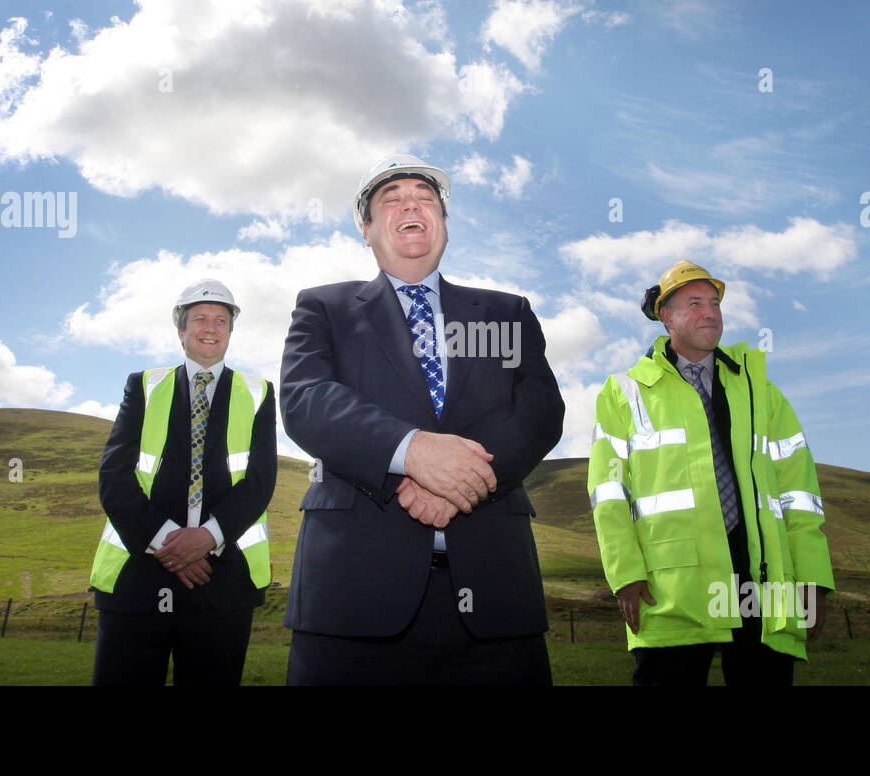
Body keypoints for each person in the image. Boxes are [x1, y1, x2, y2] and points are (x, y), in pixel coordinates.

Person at [279, 154, 564, 685]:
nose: (411, 202)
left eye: (425, 197)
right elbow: (305, 398)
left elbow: (540, 410)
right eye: (392, 198)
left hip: (495, 599)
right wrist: (410, 451)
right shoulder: (324, 308)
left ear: (444, 225)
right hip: (352, 599)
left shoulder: (505, 313)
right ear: (367, 231)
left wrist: (463, 481)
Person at [587, 260, 834, 686]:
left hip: (760, 574)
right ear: (667, 317)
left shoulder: (760, 389)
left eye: (715, 302)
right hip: (674, 582)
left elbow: (799, 489)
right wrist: (625, 573)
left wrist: (812, 579)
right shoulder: (624, 391)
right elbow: (608, 491)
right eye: (695, 303)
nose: (710, 313)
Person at [90, 279, 276, 685]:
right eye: (200, 319)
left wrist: (207, 538)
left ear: (231, 330)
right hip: (138, 576)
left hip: (223, 580)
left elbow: (260, 483)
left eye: (221, 320)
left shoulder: (259, 392)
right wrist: (170, 543)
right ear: (181, 330)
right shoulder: (143, 385)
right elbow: (114, 477)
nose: (211, 328)